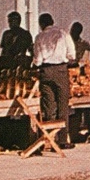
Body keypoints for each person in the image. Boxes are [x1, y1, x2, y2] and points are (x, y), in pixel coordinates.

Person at [32, 13, 77, 149]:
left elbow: (38, 59)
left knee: (49, 105)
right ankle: (62, 140)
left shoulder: (39, 37)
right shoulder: (63, 34)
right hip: (61, 71)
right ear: (52, 21)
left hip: (45, 71)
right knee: (63, 105)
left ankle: (49, 139)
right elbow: (72, 55)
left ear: (41, 24)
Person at [0, 11, 33, 77]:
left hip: (19, 60)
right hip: (10, 59)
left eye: (10, 21)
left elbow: (31, 50)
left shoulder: (25, 34)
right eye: (9, 22)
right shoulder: (6, 34)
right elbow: (3, 50)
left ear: (17, 21)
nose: (9, 24)